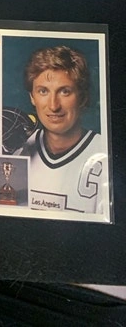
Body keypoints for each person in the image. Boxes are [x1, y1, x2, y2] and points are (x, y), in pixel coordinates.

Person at [18, 45, 106, 215]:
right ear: (32, 97)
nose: (53, 106)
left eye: (65, 91)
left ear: (82, 97)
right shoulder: (18, 149)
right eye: (43, 91)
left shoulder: (105, 152)